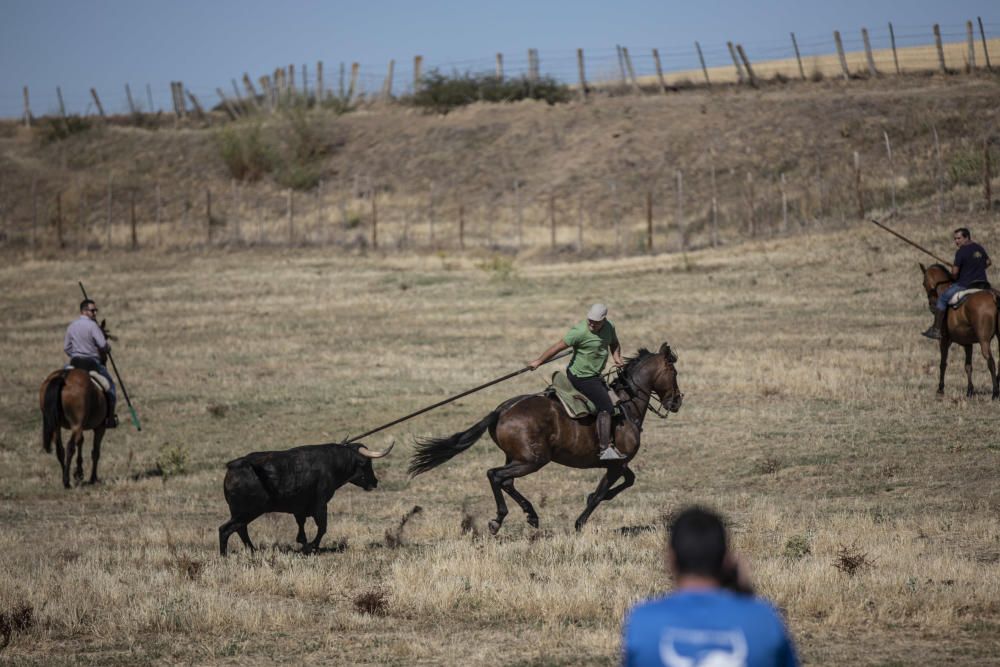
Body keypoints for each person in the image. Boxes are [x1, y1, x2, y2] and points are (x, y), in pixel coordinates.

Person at [622, 507, 799, 667]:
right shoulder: (765, 620)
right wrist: (746, 594)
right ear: (728, 562)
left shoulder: (643, 621)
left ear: (670, 561)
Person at [529, 303, 626, 460]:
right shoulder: (579, 331)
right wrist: (539, 361)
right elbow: (557, 347)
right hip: (582, 377)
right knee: (607, 407)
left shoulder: (609, 327)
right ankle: (605, 449)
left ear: (604, 320)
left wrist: (616, 356)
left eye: (595, 322)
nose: (592, 324)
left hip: (595, 375)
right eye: (590, 321)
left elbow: (614, 342)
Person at [923, 227, 992, 340]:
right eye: (955, 239)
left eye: (958, 238)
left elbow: (954, 273)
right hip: (983, 284)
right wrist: (976, 268)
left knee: (942, 299)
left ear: (966, 237)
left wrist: (955, 274)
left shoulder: (961, 251)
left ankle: (936, 329)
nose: (956, 242)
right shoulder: (978, 248)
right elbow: (989, 262)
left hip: (966, 284)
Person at [64, 299, 118, 428]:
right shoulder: (93, 326)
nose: (95, 313)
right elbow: (103, 345)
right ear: (84, 311)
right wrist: (107, 348)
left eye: (95, 310)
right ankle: (109, 418)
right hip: (91, 363)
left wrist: (76, 354)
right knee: (110, 387)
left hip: (74, 362)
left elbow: (66, 348)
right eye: (92, 310)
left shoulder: (72, 326)